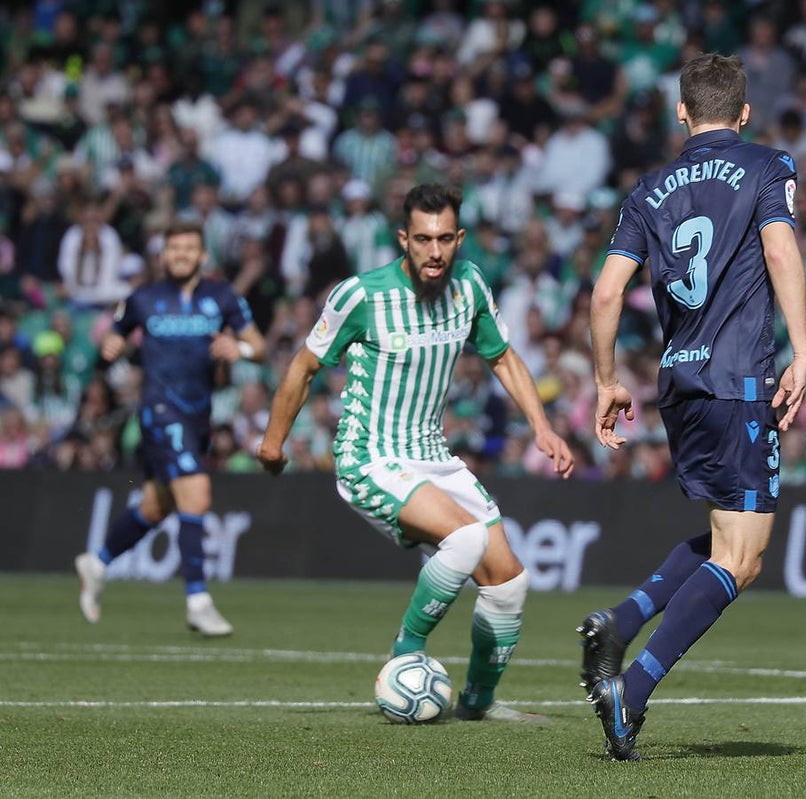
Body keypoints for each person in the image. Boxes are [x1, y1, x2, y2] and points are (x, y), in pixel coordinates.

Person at [256, 183, 573, 722]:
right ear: (404, 239)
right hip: (370, 456)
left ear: (459, 238)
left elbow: (502, 357)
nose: (434, 251)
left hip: (432, 454)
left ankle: (478, 703)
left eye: (444, 238)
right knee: (466, 538)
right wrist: (272, 442)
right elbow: (304, 367)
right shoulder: (361, 296)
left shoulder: (470, 285)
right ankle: (405, 652)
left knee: (509, 583)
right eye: (423, 239)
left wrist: (542, 427)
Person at [580, 53, 806, 761]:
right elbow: (780, 252)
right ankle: (633, 687)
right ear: (744, 112)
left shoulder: (648, 189)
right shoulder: (768, 165)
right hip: (739, 379)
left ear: (682, 112)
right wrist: (803, 347)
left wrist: (606, 380)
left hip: (679, 384)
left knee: (725, 538)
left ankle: (622, 622)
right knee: (743, 558)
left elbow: (606, 293)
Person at [73, 222, 267, 636]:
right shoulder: (142, 298)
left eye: (189, 248)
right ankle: (198, 601)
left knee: (155, 506)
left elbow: (259, 346)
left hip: (198, 416)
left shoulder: (222, 296)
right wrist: (111, 345)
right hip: (159, 409)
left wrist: (239, 348)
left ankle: (98, 562)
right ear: (163, 255)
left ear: (203, 255)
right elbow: (112, 339)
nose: (181, 254)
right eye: (174, 248)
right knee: (196, 492)